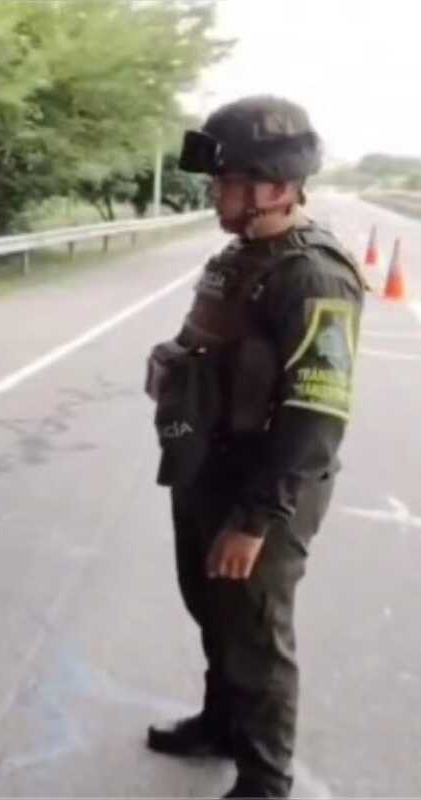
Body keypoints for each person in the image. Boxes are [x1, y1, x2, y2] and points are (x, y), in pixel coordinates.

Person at [143, 95, 365, 798]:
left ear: (275, 184)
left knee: (258, 637)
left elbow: (315, 416)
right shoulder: (241, 254)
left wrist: (254, 520)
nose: (217, 193)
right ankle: (219, 724)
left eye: (228, 180)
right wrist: (171, 360)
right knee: (212, 609)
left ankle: (265, 780)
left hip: (262, 485)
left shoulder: (313, 274)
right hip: (206, 466)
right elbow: (205, 336)